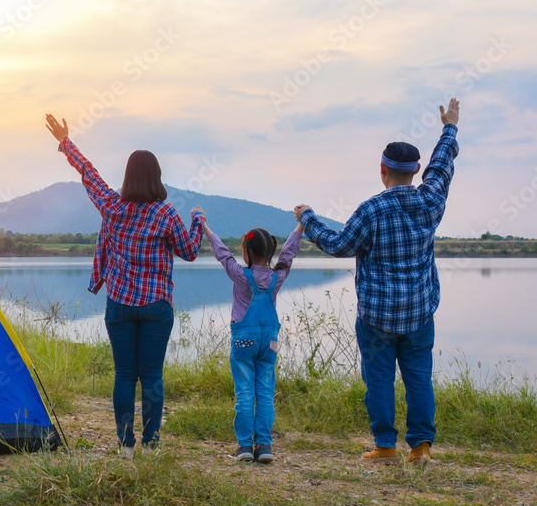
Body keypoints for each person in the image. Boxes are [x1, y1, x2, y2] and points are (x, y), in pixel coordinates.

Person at [294, 98, 460, 465]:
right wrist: (450, 127)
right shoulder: (431, 200)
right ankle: (421, 448)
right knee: (419, 378)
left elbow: (338, 245)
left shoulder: (371, 209)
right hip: (419, 312)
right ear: (415, 170)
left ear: (382, 170)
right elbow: (443, 166)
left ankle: (385, 447)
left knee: (380, 379)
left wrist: (308, 218)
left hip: (376, 317)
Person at [44, 114, 205, 458]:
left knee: (123, 377)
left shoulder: (112, 206)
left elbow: (89, 174)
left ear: (128, 175)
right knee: (152, 377)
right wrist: (198, 221)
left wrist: (65, 143)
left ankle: (126, 446)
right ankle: (151, 445)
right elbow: (190, 252)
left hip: (119, 304)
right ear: (157, 176)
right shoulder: (167, 214)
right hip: (157, 306)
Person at [204, 222, 303, 463]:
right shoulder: (277, 277)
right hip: (270, 341)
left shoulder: (240, 275)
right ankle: (265, 446)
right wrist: (301, 226)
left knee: (245, 392)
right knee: (266, 393)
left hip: (243, 341)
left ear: (247, 252)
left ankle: (245, 447)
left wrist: (205, 226)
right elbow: (289, 254)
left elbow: (222, 253)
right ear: (270, 253)